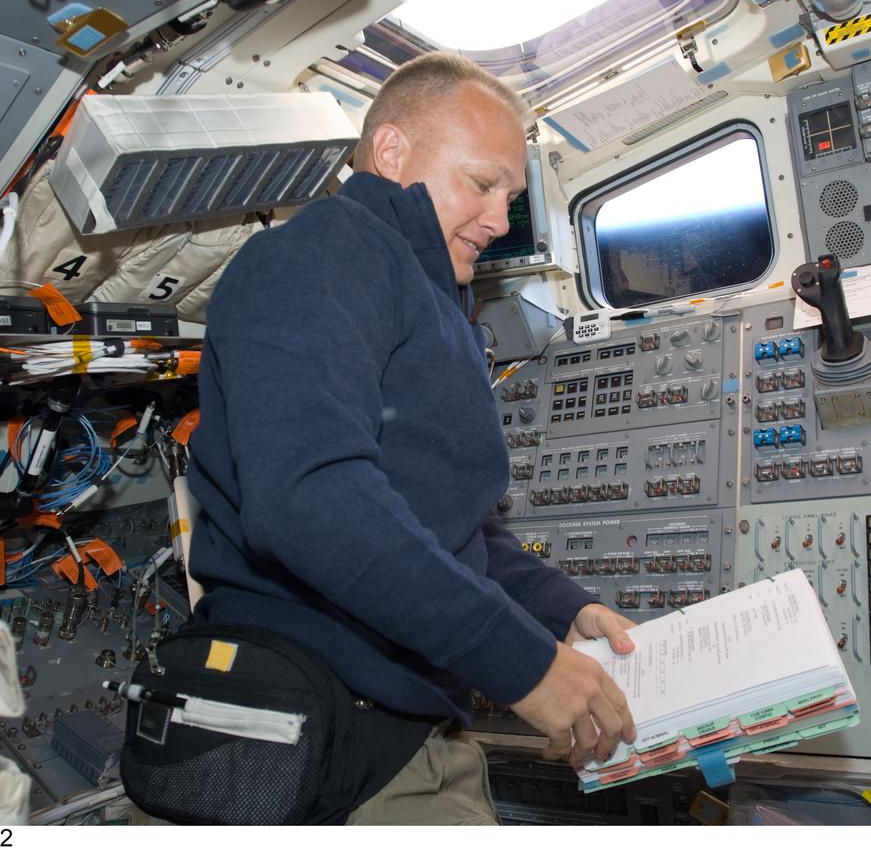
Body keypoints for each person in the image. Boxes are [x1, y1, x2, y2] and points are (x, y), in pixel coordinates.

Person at [187, 52, 637, 825]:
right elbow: (310, 501)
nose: (498, 220)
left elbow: (447, 526)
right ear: (391, 152)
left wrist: (561, 612)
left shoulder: (428, 296)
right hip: (319, 731)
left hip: (397, 726)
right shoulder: (314, 256)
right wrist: (526, 666)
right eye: (481, 184)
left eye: (510, 198)